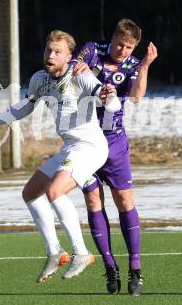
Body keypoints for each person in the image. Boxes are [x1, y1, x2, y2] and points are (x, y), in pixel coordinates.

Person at [0, 29, 121, 283]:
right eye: (48, 50)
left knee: (55, 192)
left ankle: (81, 253)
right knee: (30, 193)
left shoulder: (80, 74)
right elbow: (26, 106)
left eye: (57, 52)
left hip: (91, 146)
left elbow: (109, 101)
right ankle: (55, 252)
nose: (51, 55)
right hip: (70, 147)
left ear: (69, 56)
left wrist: (108, 97)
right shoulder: (39, 79)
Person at [73, 18, 158, 296]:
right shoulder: (92, 49)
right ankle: (110, 267)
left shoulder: (133, 65)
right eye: (120, 44)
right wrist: (81, 68)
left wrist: (144, 65)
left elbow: (135, 97)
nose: (123, 50)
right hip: (84, 140)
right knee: (93, 198)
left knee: (124, 199)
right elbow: (73, 69)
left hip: (113, 142)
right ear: (112, 38)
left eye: (130, 47)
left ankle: (136, 269)